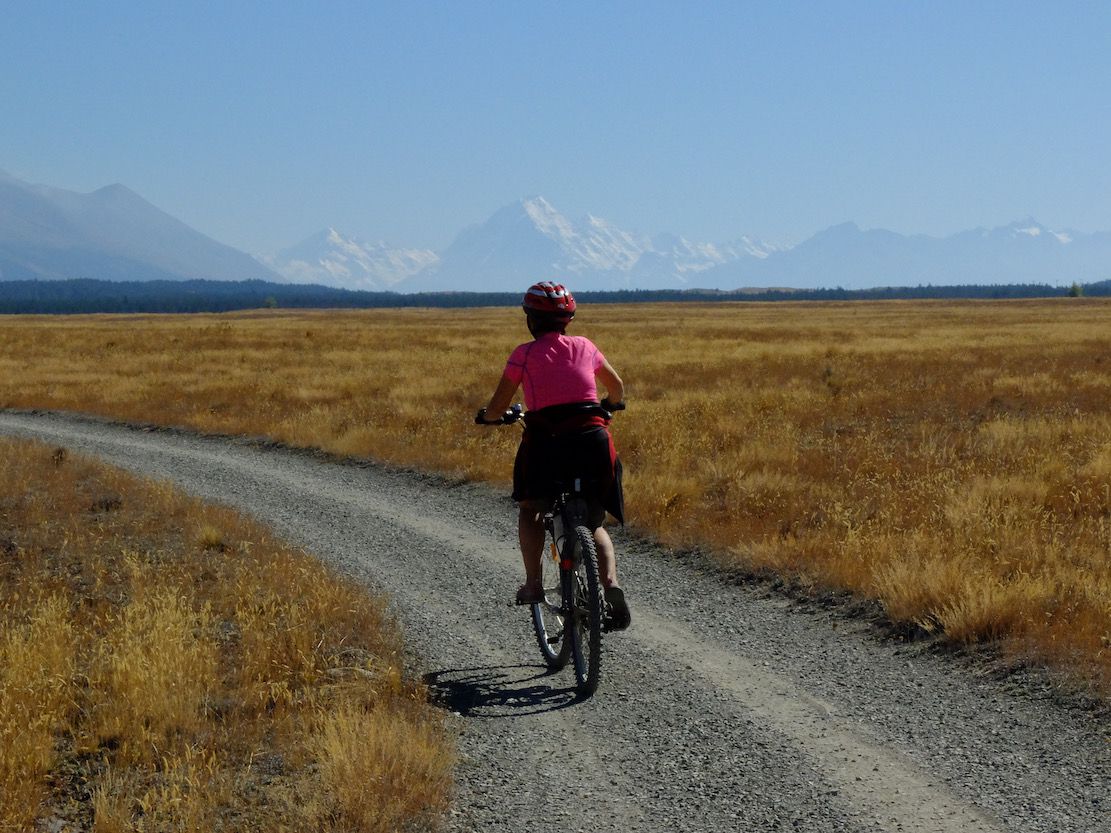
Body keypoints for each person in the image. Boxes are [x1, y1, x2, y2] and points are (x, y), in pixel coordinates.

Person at [476, 280, 631, 630]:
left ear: (531, 319)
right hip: (593, 440)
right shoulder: (586, 347)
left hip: (546, 442)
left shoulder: (524, 354)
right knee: (594, 522)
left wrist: (490, 417)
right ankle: (610, 584)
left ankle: (533, 583)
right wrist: (609, 405)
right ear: (568, 319)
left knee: (531, 506)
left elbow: (499, 405)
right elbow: (617, 388)